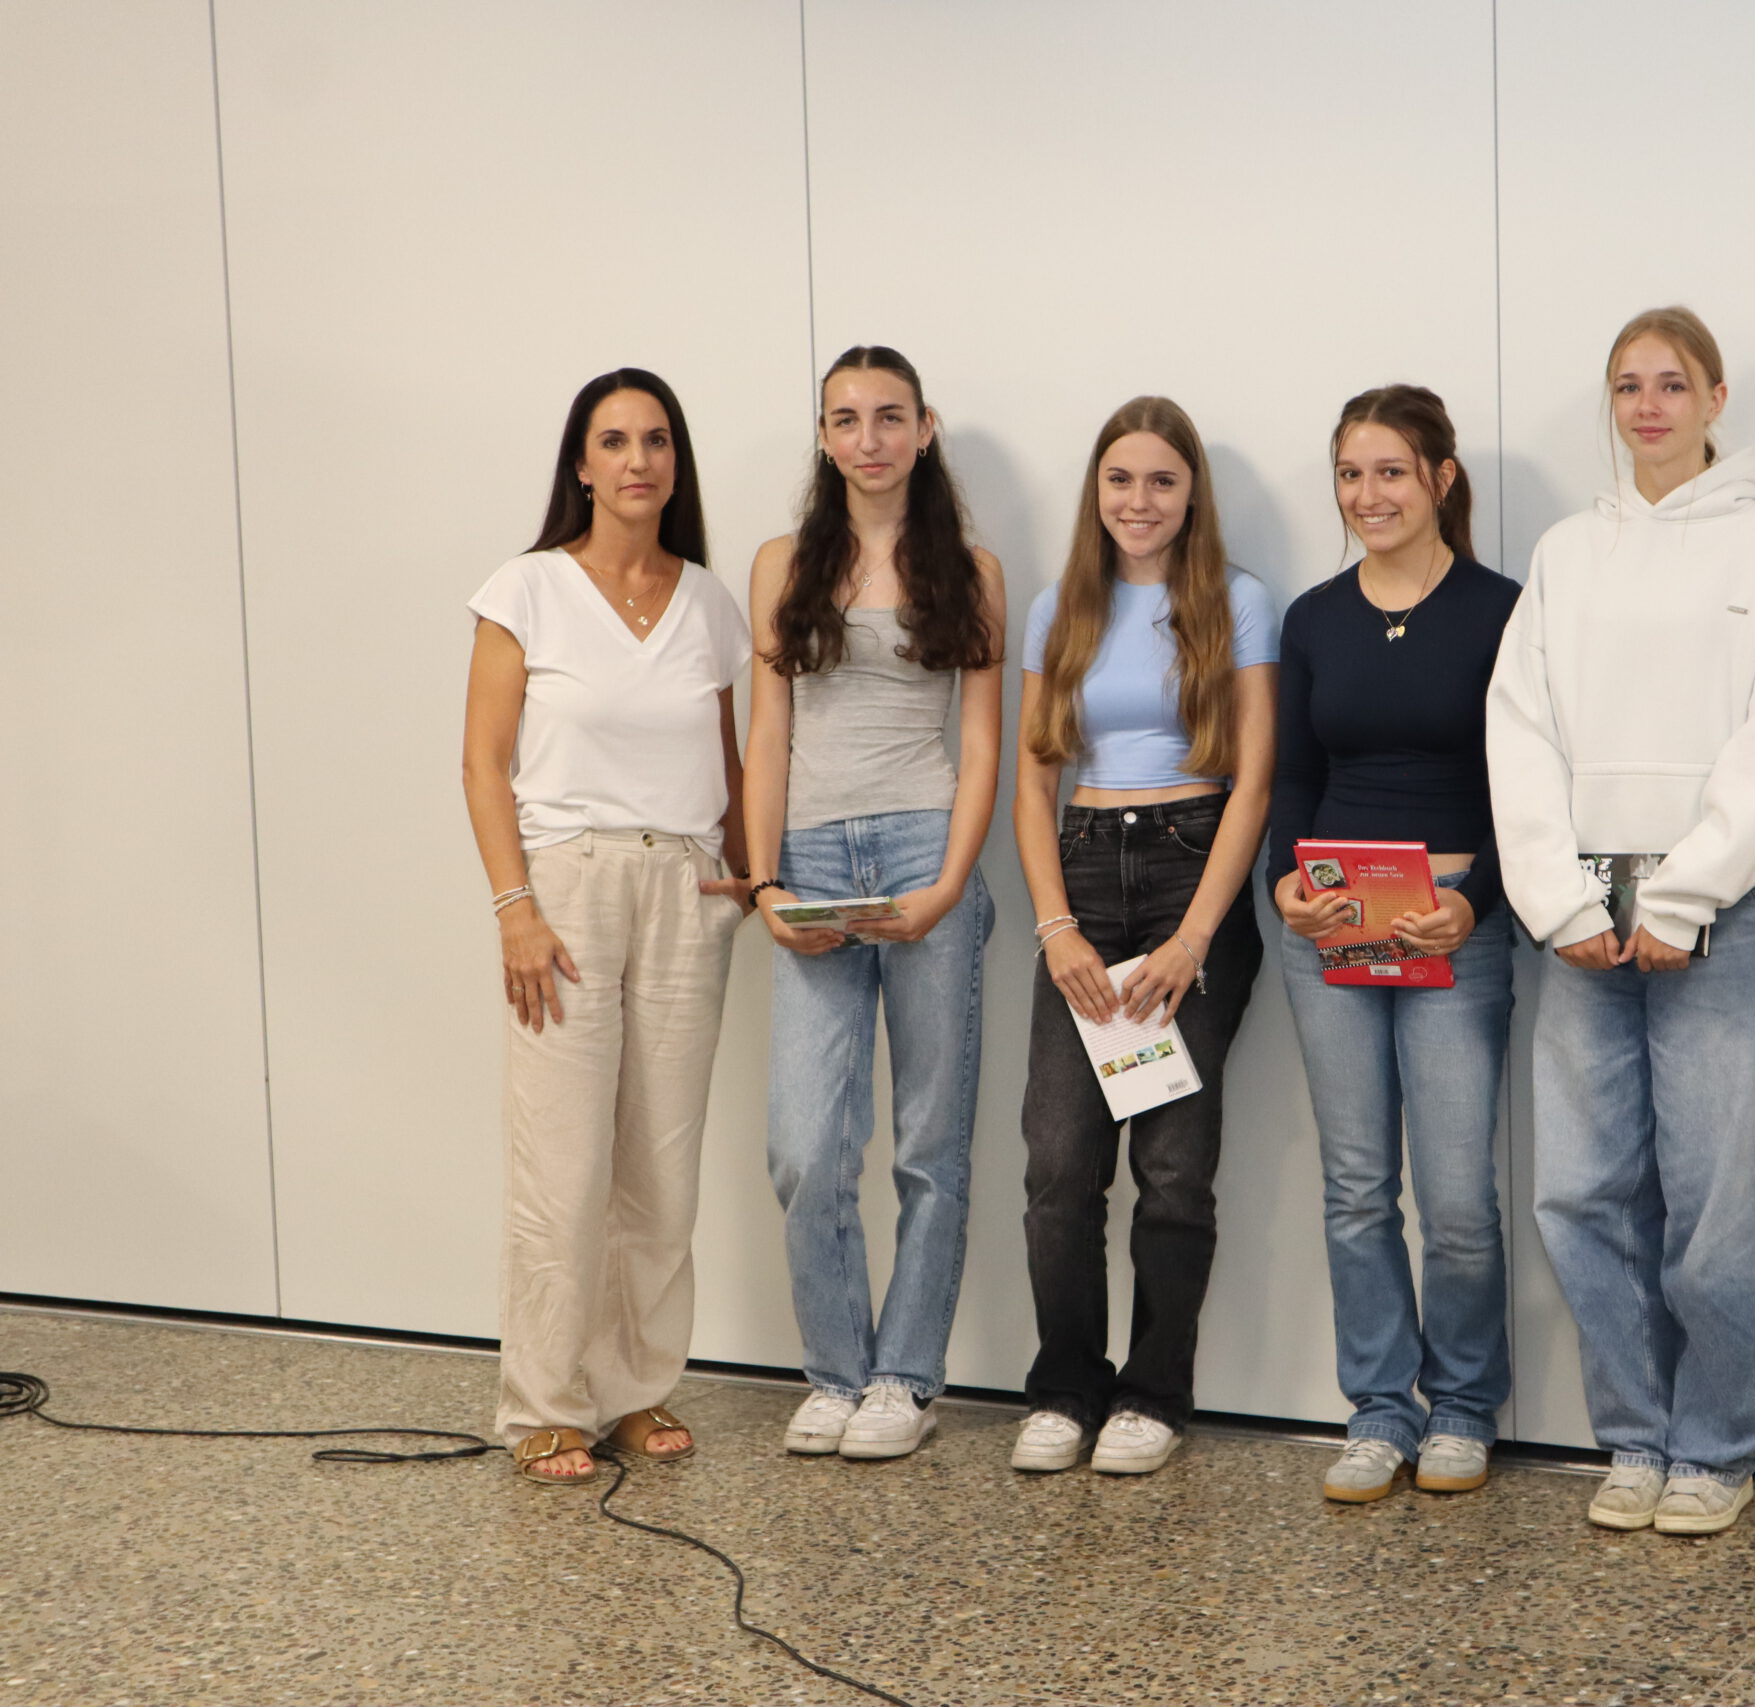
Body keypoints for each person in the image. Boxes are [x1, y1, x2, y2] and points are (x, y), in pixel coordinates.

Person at [1487, 307, 1755, 1535]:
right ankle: (1633, 1439)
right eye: (1628, 385)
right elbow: (1518, 729)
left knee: (1718, 1208)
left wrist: (1682, 896)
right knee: (1581, 1197)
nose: (1647, 406)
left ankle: (1716, 1451)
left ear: (1714, 399)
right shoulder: (1566, 552)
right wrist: (1559, 900)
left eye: (1672, 384)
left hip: (1721, 918)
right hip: (1583, 915)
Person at [461, 368, 754, 1484]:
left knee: (662, 1163)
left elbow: (731, 763)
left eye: (657, 440)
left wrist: (744, 876)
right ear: (581, 465)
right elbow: (482, 764)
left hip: (685, 887)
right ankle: (545, 1400)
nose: (639, 460)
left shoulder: (709, 602)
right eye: (616, 440)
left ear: (677, 463)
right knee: (564, 1157)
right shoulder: (528, 588)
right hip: (566, 892)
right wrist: (515, 909)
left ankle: (635, 1389)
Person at [741, 346, 1004, 1462]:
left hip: (924, 848)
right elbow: (768, 735)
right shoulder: (781, 562)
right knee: (807, 1146)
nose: (869, 439)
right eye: (846, 419)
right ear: (823, 436)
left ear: (925, 428)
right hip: (809, 860)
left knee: (930, 1142)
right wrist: (764, 880)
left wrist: (947, 886)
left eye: (890, 416)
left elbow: (982, 745)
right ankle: (836, 1373)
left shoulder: (972, 570)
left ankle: (904, 1378)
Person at [1009, 396, 1277, 1476]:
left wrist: (1194, 940)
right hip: (1082, 875)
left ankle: (1153, 1395)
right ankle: (1065, 1389)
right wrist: (1055, 927)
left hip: (1190, 872)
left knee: (1172, 1165)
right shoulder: (1058, 607)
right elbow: (1033, 783)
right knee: (1059, 1161)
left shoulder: (1237, 602)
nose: (1139, 500)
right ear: (1096, 491)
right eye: (1120, 479)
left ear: (1191, 493)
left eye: (1162, 480)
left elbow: (1253, 780)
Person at [1266, 385, 1519, 1503]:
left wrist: (1480, 903)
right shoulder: (1314, 618)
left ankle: (1461, 1407)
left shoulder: (1503, 610)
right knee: (1358, 1186)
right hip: (1333, 928)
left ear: (1440, 479)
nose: (1368, 495)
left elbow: (1529, 787)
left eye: (1391, 472)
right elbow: (1295, 776)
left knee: (1458, 1198)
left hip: (1452, 926)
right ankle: (1378, 1409)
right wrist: (1285, 884)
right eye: (1350, 473)